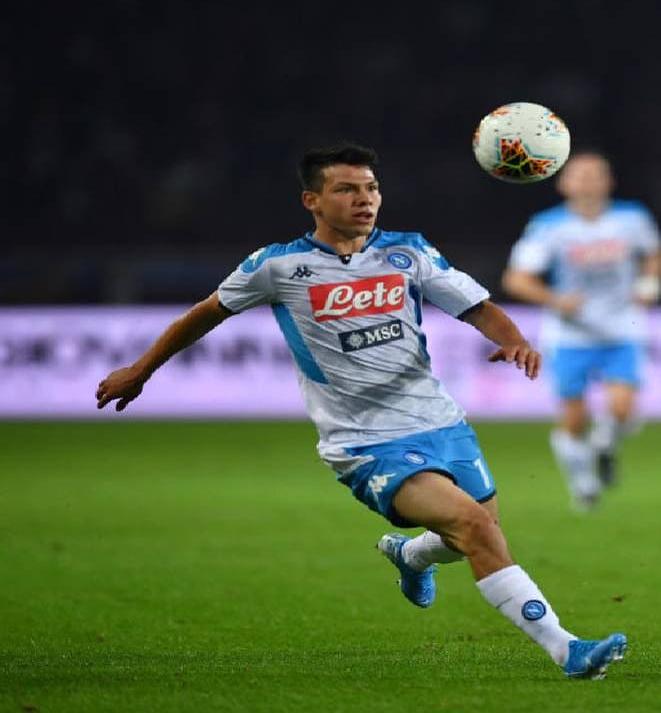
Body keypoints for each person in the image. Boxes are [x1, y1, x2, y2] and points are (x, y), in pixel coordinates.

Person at [94, 143, 627, 680]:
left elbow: (478, 308)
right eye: (346, 189)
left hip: (441, 421)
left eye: (371, 188)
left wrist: (513, 340)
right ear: (312, 200)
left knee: (478, 530)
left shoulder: (407, 251)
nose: (364, 199)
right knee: (473, 527)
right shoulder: (278, 266)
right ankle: (568, 650)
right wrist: (141, 369)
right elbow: (206, 313)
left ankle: (411, 556)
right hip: (364, 441)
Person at [502, 151, 661, 508]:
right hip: (570, 334)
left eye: (595, 174)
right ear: (564, 184)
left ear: (609, 182)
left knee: (623, 411)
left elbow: (655, 255)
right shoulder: (548, 226)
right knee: (574, 419)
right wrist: (555, 299)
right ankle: (583, 483)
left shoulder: (632, 218)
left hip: (622, 327)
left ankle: (603, 446)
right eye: (580, 175)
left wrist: (650, 283)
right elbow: (516, 279)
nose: (588, 182)